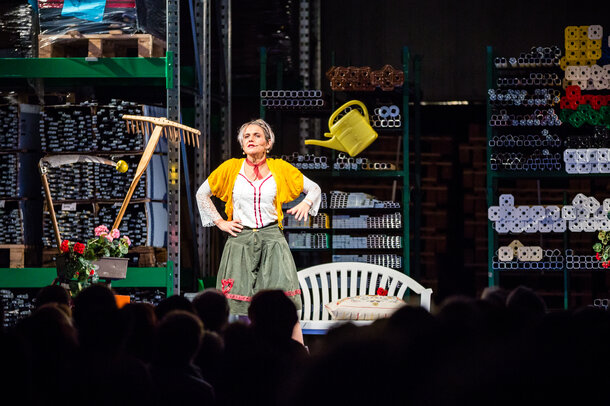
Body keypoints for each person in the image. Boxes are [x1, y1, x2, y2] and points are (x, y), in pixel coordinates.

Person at [195, 118, 321, 320]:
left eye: (257, 135)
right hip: (240, 239)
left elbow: (314, 188)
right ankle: (246, 346)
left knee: (279, 303)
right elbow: (202, 194)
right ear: (242, 145)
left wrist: (306, 203)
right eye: (246, 136)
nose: (251, 139)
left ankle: (283, 348)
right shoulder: (230, 168)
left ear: (268, 143)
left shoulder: (280, 168)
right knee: (240, 304)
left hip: (272, 239)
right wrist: (220, 222)